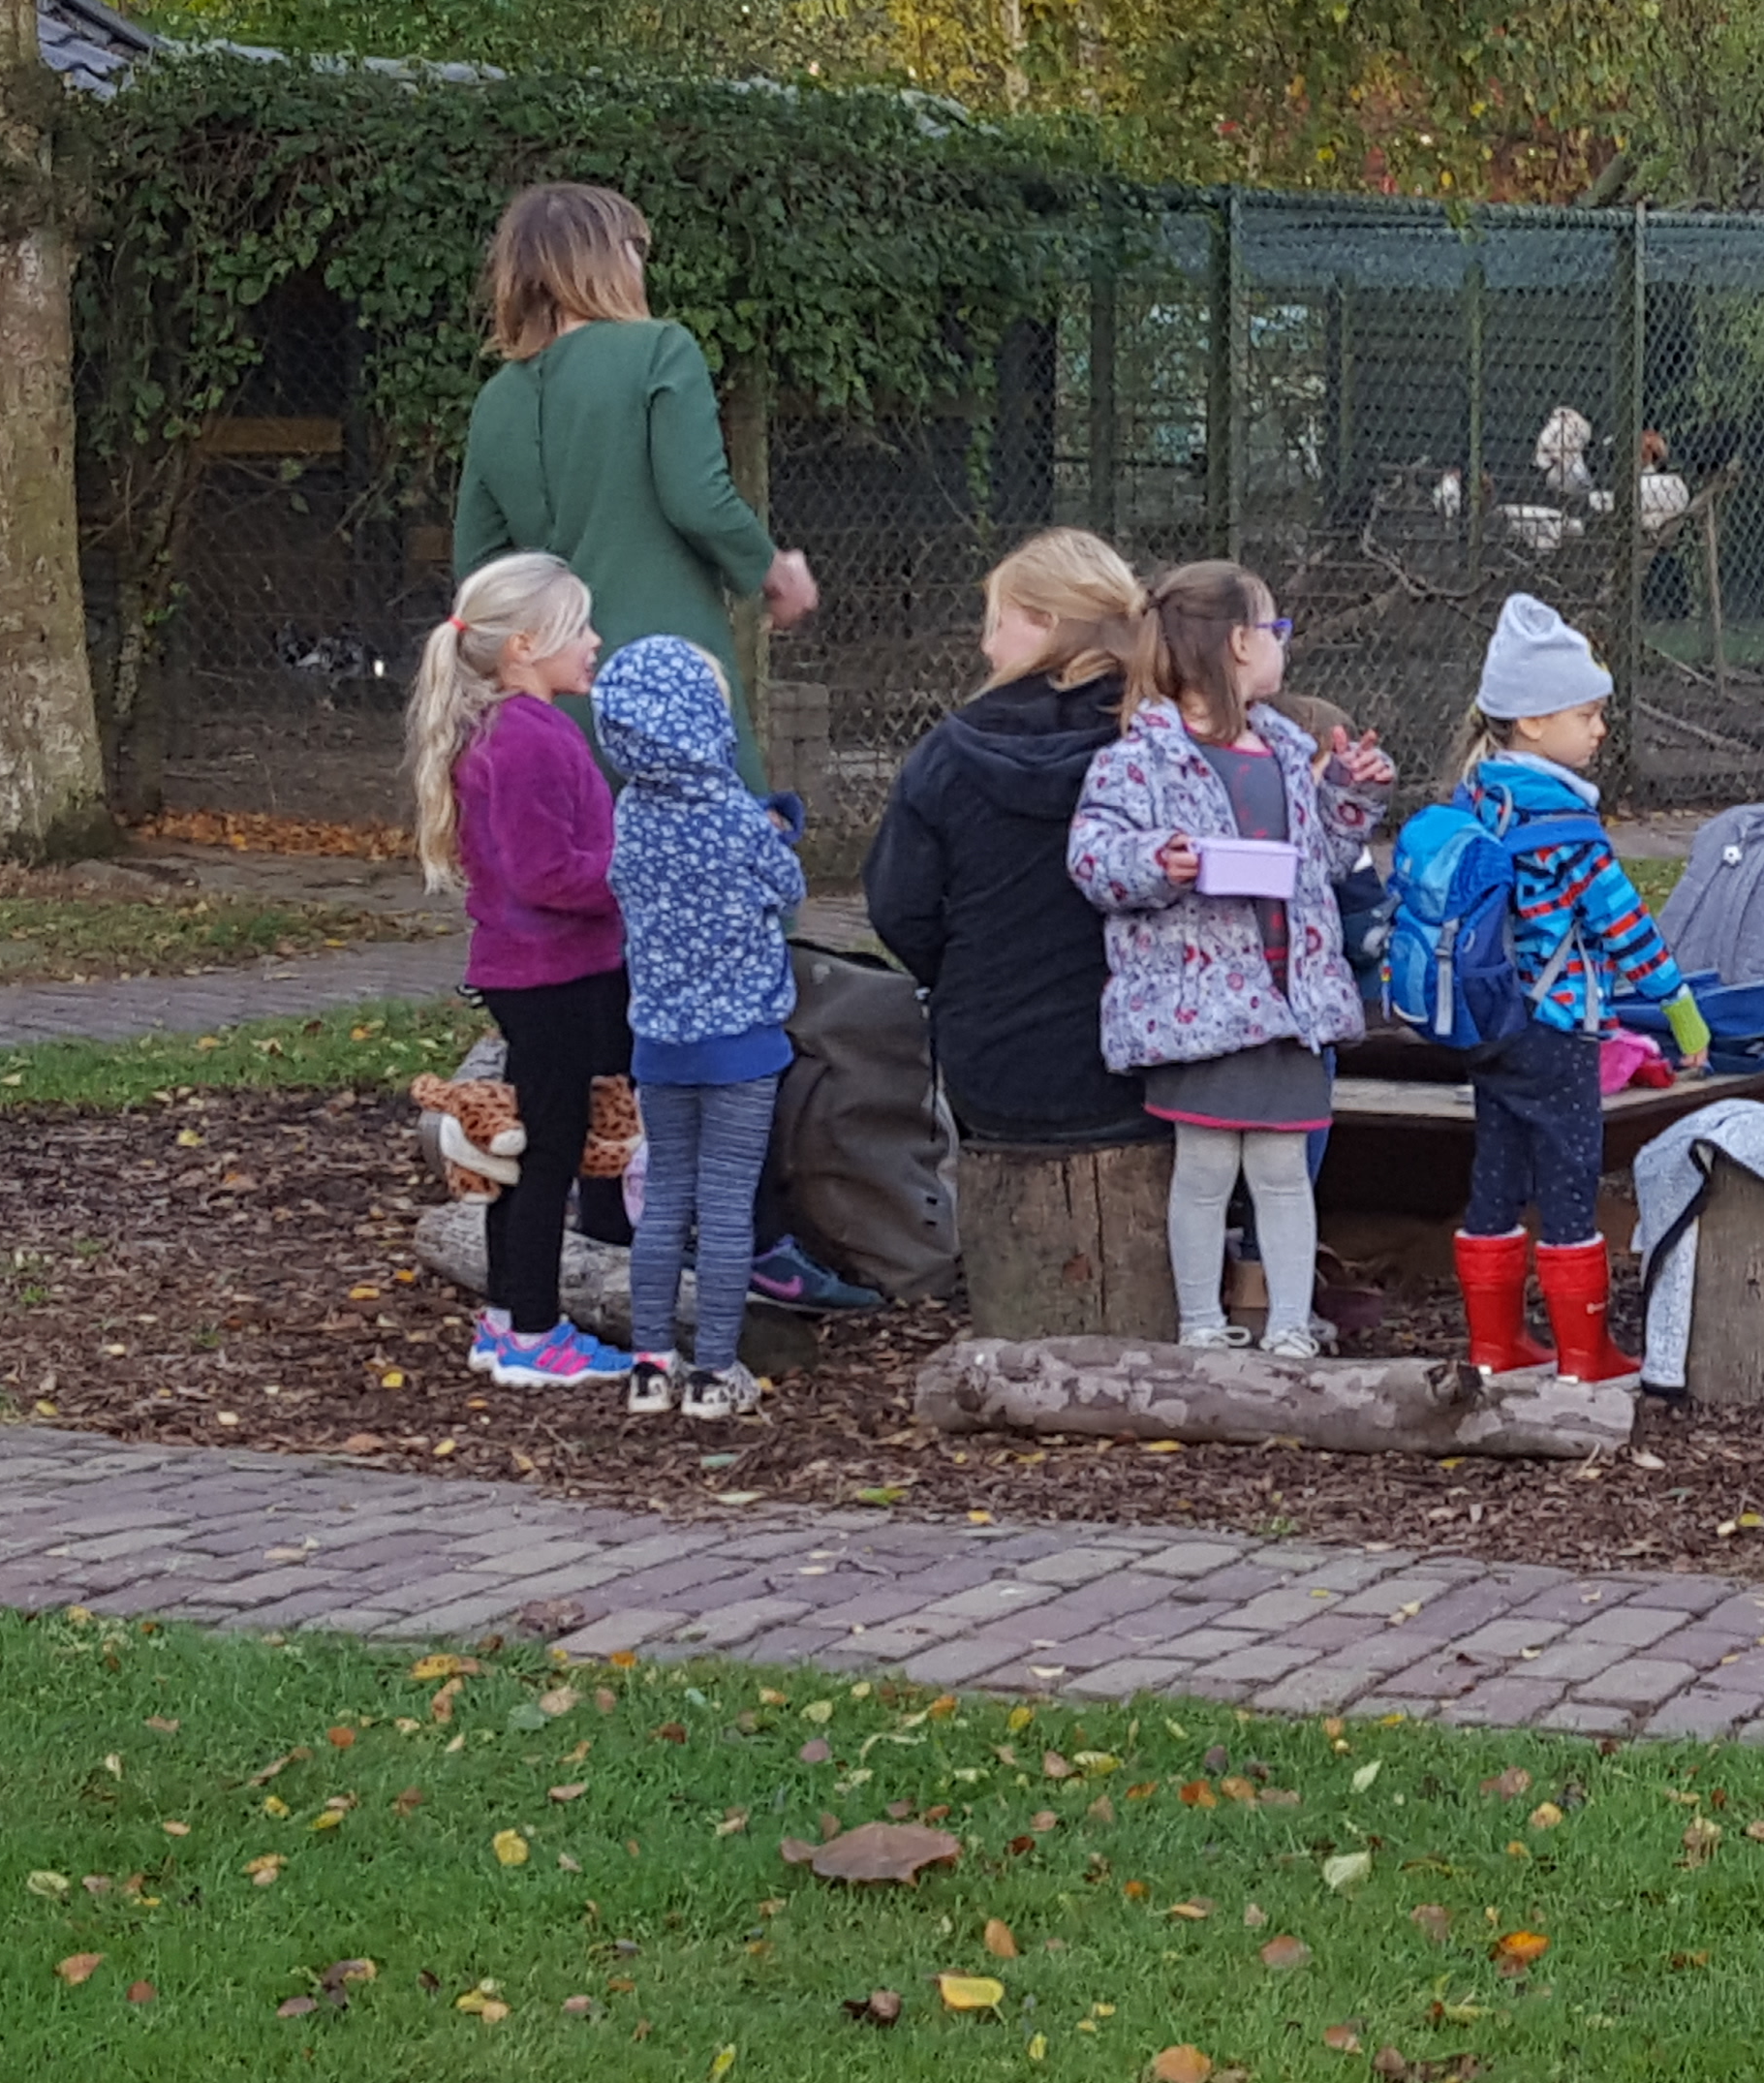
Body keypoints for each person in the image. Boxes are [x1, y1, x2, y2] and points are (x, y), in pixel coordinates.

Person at [1067, 565, 1388, 1352]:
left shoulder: (1287, 747)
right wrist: (1156, 859)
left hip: (1290, 1004)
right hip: (1202, 1010)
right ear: (1241, 644)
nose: (1285, 645)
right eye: (1275, 631)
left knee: (1284, 1170)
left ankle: (1287, 1325)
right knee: (1205, 1169)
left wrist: (1347, 795)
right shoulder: (1139, 756)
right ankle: (1201, 1324)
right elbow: (1093, 855)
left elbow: (1321, 856)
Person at [451, 181, 819, 778]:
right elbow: (697, 498)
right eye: (635, 249)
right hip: (670, 692)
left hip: (552, 698)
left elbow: (481, 566)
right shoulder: (660, 350)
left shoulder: (496, 399)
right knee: (721, 862)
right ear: (607, 258)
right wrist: (774, 572)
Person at [1434, 594, 1701, 1388]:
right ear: (1534, 724)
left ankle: (1494, 1345)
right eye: (1586, 714)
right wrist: (1682, 1013)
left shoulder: (1477, 799)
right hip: (1556, 1027)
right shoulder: (1568, 829)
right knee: (1571, 1176)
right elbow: (1625, 930)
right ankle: (1584, 1355)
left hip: (1490, 1026)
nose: (1600, 729)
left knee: (1495, 1175)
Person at [401, 551, 635, 1392]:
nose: (596, 641)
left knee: (530, 1142)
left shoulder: (510, 729)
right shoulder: (530, 739)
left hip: (537, 971)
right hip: (553, 974)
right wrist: (633, 877)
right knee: (549, 1150)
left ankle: (511, 1320)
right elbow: (547, 875)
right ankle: (532, 1333)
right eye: (580, 629)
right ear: (525, 646)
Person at [863, 530, 1157, 1147]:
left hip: (991, 1066)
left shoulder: (945, 753)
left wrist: (969, 975)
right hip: (1148, 1065)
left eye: (998, 623)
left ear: (1046, 622)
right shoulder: (1164, 744)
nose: (986, 645)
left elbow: (897, 909)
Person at [595, 633, 809, 1417]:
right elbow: (786, 887)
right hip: (741, 1046)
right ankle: (715, 1373)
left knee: (662, 1202)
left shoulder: (630, 812)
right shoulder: (732, 814)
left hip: (659, 1042)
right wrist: (779, 831)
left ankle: (651, 1364)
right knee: (725, 1206)